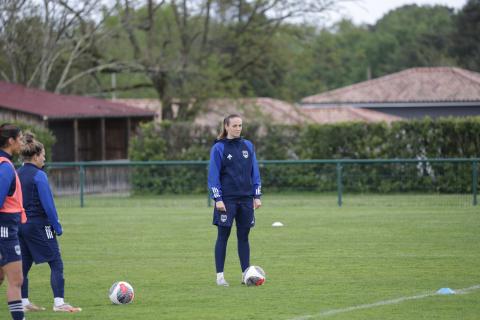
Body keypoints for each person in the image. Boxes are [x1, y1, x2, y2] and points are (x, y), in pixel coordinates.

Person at [17, 133, 81, 313]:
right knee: (56, 262)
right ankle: (59, 303)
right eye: (43, 154)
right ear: (36, 156)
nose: (44, 158)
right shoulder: (39, 176)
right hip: (38, 225)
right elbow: (49, 206)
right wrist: (57, 227)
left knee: (23, 264)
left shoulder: (16, 173)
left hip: (20, 225)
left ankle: (23, 302)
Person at [208, 114, 262, 286]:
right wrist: (218, 199)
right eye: (235, 125)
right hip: (227, 200)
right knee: (223, 236)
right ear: (226, 126)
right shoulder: (219, 148)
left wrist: (257, 195)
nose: (238, 128)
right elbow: (213, 175)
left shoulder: (248, 145)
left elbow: (255, 172)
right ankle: (220, 277)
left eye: (240, 125)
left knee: (244, 237)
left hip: (246, 199)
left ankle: (246, 275)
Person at [0, 123, 27, 320]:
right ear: (10, 141)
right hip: (5, 229)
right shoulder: (6, 167)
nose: (21, 142)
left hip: (6, 227)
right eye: (19, 138)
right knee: (16, 279)